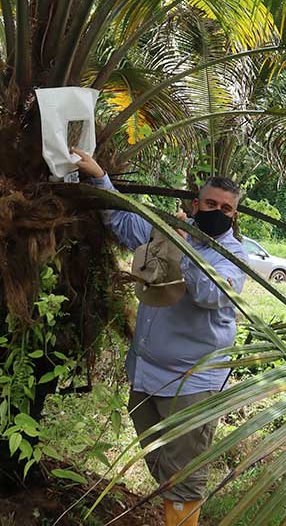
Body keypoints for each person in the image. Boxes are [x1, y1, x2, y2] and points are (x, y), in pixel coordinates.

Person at [74, 149, 247, 526]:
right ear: (195, 204)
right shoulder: (165, 230)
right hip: (146, 373)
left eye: (226, 208)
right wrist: (100, 176)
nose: (217, 212)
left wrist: (181, 247)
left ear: (234, 216)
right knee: (159, 462)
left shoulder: (233, 258)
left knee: (184, 477)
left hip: (192, 381)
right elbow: (121, 220)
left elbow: (208, 293)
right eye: (210, 203)